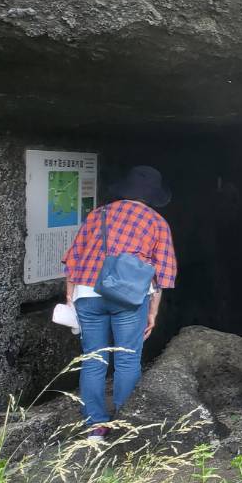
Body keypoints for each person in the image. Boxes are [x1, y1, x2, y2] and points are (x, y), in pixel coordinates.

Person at [62, 165, 178, 441]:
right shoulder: (156, 222)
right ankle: (124, 425)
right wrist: (153, 311)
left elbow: (73, 258)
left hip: (87, 293)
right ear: (152, 195)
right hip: (129, 297)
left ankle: (94, 426)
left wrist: (70, 296)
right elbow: (163, 272)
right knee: (127, 360)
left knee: (93, 359)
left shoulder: (98, 215)